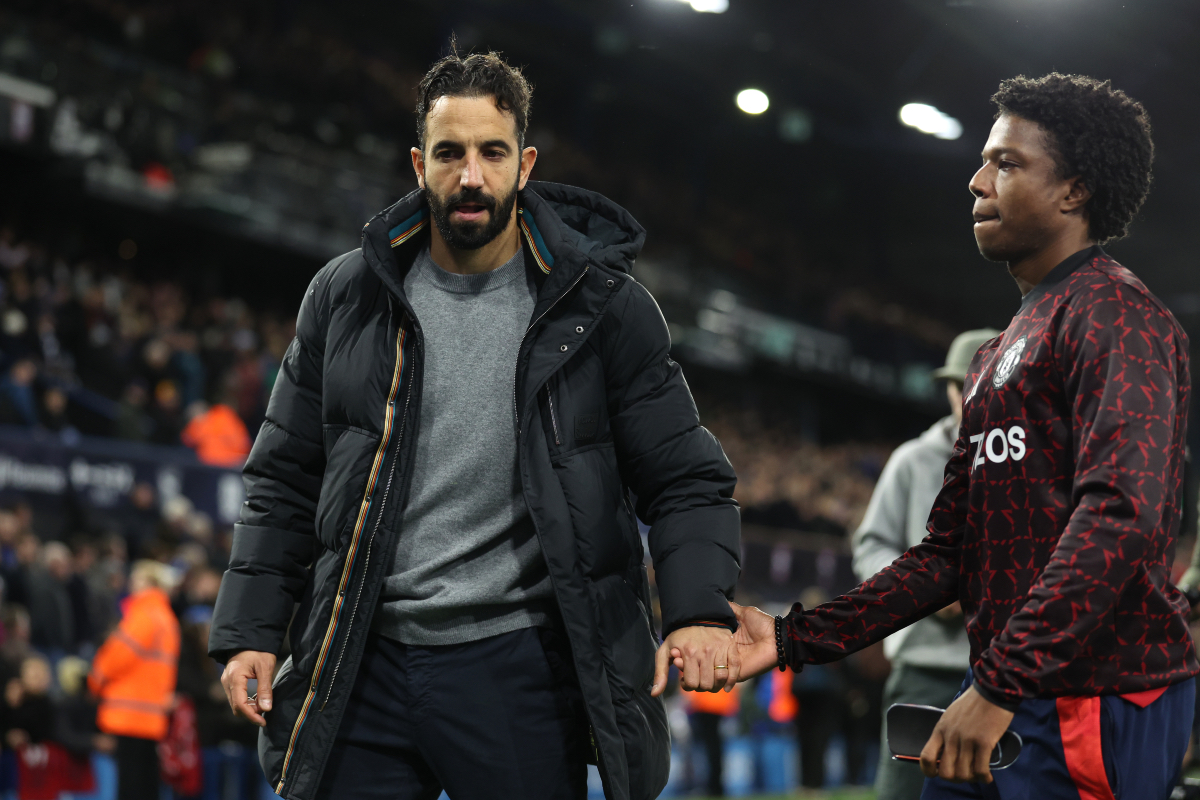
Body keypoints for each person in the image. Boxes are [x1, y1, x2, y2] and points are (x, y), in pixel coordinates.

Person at [209, 46, 740, 800]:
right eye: (449, 154)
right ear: (417, 163)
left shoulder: (604, 306)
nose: (470, 177)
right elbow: (284, 477)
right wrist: (251, 631)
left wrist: (698, 613)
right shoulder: (346, 295)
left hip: (520, 672)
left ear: (525, 164)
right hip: (361, 661)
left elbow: (687, 479)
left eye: (491, 153)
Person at [721, 73, 1197, 800]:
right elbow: (948, 553)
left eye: (1007, 163)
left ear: (1074, 190)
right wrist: (793, 639)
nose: (977, 181)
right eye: (984, 160)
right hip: (1005, 685)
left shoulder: (1116, 315)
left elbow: (1119, 514)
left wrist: (1002, 683)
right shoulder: (993, 354)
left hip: (1091, 694)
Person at [852, 327, 999, 800]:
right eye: (966, 386)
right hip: (926, 670)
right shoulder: (913, 461)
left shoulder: (1033, 461)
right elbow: (869, 546)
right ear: (950, 391)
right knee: (904, 794)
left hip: (1007, 671)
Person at [89, 560, 181, 800]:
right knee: (147, 781)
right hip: (151, 714)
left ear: (149, 583)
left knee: (129, 784)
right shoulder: (167, 619)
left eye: (137, 580)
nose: (131, 585)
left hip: (128, 711)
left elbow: (115, 657)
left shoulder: (143, 614)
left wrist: (94, 681)